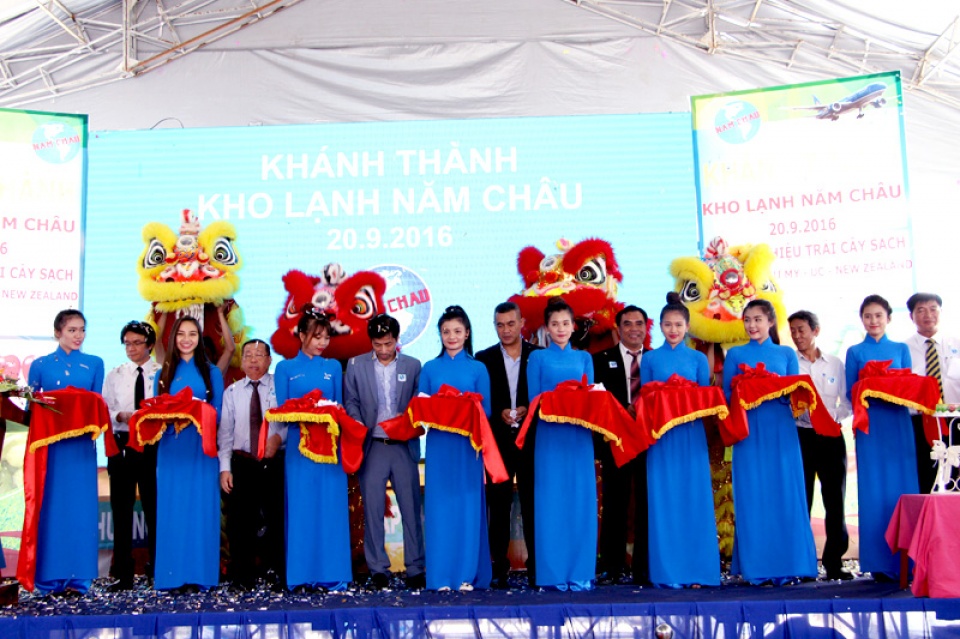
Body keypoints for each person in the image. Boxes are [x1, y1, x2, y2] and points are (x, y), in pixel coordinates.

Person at [723, 299, 817, 584]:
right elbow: (728, 396)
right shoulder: (735, 355)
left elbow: (795, 392)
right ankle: (756, 568)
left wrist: (770, 385)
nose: (752, 325)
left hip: (781, 430)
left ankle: (790, 564)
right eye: (748, 319)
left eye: (758, 319)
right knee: (752, 494)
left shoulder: (786, 354)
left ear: (771, 322)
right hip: (748, 432)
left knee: (784, 492)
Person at [640, 296, 720, 587]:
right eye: (668, 324)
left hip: (691, 435)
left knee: (694, 499)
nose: (673, 329)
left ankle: (699, 570)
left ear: (687, 327)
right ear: (660, 327)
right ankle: (667, 572)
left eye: (679, 324)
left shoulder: (698, 359)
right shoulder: (649, 358)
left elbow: (705, 400)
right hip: (660, 439)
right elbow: (645, 400)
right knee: (664, 501)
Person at [26, 309, 105, 594]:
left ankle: (79, 579)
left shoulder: (95, 363)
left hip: (82, 449)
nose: (78, 336)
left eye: (82, 329)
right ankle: (48, 578)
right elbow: (30, 410)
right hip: (52, 451)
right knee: (52, 508)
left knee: (81, 510)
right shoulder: (41, 365)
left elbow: (97, 404)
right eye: (72, 330)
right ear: (58, 332)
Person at [344, 314, 425, 591]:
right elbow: (351, 401)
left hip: (402, 446)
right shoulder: (356, 365)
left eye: (387, 343)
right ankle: (378, 568)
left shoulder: (414, 366)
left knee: (411, 509)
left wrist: (407, 419)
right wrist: (357, 424)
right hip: (372, 445)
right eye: (377, 344)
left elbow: (419, 403)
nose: (382, 349)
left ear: (397, 340)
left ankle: (415, 567)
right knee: (374, 510)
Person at [273, 309, 351, 591]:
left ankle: (334, 575)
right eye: (316, 337)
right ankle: (301, 577)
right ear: (302, 335)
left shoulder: (333, 368)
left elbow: (340, 409)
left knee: (330, 510)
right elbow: (282, 411)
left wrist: (331, 412)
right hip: (299, 449)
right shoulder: (285, 369)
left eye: (325, 337)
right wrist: (307, 410)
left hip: (330, 451)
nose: (321, 343)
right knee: (302, 510)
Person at [418, 305, 493, 591]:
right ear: (440, 334)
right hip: (439, 448)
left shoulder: (478, 368)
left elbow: (485, 411)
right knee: (440, 509)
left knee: (467, 507)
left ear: (467, 333)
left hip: (468, 448)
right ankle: (440, 577)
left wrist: (462, 405)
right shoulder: (430, 368)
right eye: (446, 331)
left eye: (457, 331)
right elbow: (419, 408)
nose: (451, 337)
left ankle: (465, 574)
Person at [845, 294, 915, 581]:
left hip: (898, 425)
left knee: (903, 489)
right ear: (862, 319)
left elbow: (910, 386)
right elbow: (851, 391)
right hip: (870, 426)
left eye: (878, 316)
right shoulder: (855, 352)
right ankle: (877, 561)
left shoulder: (901, 348)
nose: (873, 321)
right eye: (867, 316)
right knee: (873, 490)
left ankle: (909, 560)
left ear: (888, 318)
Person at [527, 298, 596, 590]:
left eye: (565, 323)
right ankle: (553, 574)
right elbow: (534, 401)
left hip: (579, 437)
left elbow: (591, 399)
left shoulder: (584, 359)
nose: (560, 329)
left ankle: (580, 572)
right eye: (554, 324)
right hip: (550, 437)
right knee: (552, 504)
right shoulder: (537, 359)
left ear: (573, 326)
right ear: (546, 327)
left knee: (579, 502)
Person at [153, 315, 224, 591]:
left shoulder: (212, 373)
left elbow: (217, 413)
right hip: (172, 448)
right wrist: (173, 417)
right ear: (173, 338)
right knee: (173, 510)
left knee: (201, 511)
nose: (186, 339)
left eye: (192, 334)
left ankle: (201, 576)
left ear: (199, 337)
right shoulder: (163, 373)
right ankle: (171, 576)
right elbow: (156, 412)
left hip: (202, 449)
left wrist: (192, 413)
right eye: (181, 334)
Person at [475, 302, 541, 588]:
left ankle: (537, 568)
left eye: (511, 324)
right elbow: (481, 401)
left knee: (532, 504)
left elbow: (545, 395)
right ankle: (498, 569)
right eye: (500, 325)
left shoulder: (538, 356)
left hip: (530, 441)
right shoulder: (483, 358)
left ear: (521, 322)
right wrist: (499, 410)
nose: (505, 330)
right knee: (498, 507)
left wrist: (530, 408)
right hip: (498, 442)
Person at [788, 310, 853, 581]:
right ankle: (802, 563)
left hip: (831, 437)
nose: (797, 335)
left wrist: (831, 418)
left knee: (834, 501)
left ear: (816, 330)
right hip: (801, 437)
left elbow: (847, 401)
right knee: (801, 500)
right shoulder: (790, 363)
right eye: (792, 330)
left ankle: (834, 561)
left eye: (802, 329)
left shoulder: (835, 363)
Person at [218, 339, 283, 589]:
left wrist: (278, 439)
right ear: (242, 361)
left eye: (259, 355)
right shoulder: (231, 392)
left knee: (276, 519)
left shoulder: (280, 387)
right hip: (242, 463)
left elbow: (289, 423)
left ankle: (275, 571)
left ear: (269, 360)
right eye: (248, 355)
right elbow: (225, 434)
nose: (253, 360)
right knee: (240, 523)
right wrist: (225, 468)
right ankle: (242, 576)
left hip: (273, 461)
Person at [592, 305, 649, 585]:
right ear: (618, 328)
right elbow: (596, 402)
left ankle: (645, 568)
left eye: (639, 323)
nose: (634, 329)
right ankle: (611, 567)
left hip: (650, 442)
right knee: (615, 504)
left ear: (646, 327)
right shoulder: (599, 360)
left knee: (647, 505)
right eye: (627, 324)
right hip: (616, 442)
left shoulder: (655, 360)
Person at [102, 320, 162, 591]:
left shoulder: (163, 373)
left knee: (154, 509)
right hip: (122, 444)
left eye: (137, 342)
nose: (131, 348)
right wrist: (120, 416)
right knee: (122, 511)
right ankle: (123, 573)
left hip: (152, 447)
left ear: (150, 344)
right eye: (127, 343)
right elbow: (107, 409)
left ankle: (157, 570)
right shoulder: (115, 374)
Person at [905, 293, 960, 493]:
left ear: (941, 312)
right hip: (921, 422)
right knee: (927, 476)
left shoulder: (957, 342)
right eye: (921, 310)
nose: (928, 314)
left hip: (955, 420)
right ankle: (929, 522)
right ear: (911, 316)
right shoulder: (904, 350)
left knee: (957, 478)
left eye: (933, 308)